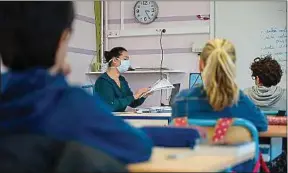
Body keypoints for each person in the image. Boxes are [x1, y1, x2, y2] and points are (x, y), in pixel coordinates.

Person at [0, 1, 152, 165]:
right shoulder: (69, 103)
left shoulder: (11, 97)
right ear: (64, 37)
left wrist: (140, 97)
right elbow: (138, 147)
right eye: (125, 59)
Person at [172, 38, 268, 132]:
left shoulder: (182, 100)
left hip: (197, 147)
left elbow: (177, 134)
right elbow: (262, 125)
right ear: (231, 67)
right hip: (230, 147)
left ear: (201, 65)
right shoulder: (241, 102)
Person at [94, 47, 152, 112]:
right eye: (125, 59)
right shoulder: (103, 81)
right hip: (105, 119)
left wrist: (143, 95)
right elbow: (110, 106)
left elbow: (132, 103)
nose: (128, 62)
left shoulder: (122, 80)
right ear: (115, 60)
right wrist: (134, 96)